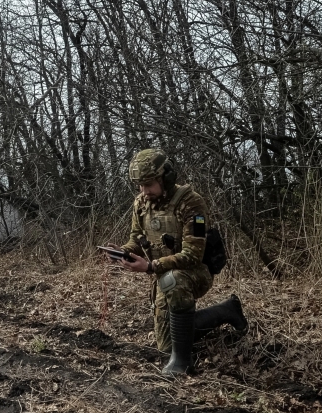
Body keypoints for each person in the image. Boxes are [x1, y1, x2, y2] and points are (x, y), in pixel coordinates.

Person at [101, 148, 247, 376]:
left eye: (148, 184)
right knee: (166, 344)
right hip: (164, 275)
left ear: (165, 178)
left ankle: (182, 363)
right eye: (139, 185)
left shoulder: (192, 204)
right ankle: (227, 310)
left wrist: (150, 266)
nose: (143, 190)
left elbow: (192, 255)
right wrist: (122, 251)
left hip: (195, 273)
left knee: (173, 280)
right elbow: (136, 240)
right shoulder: (141, 204)